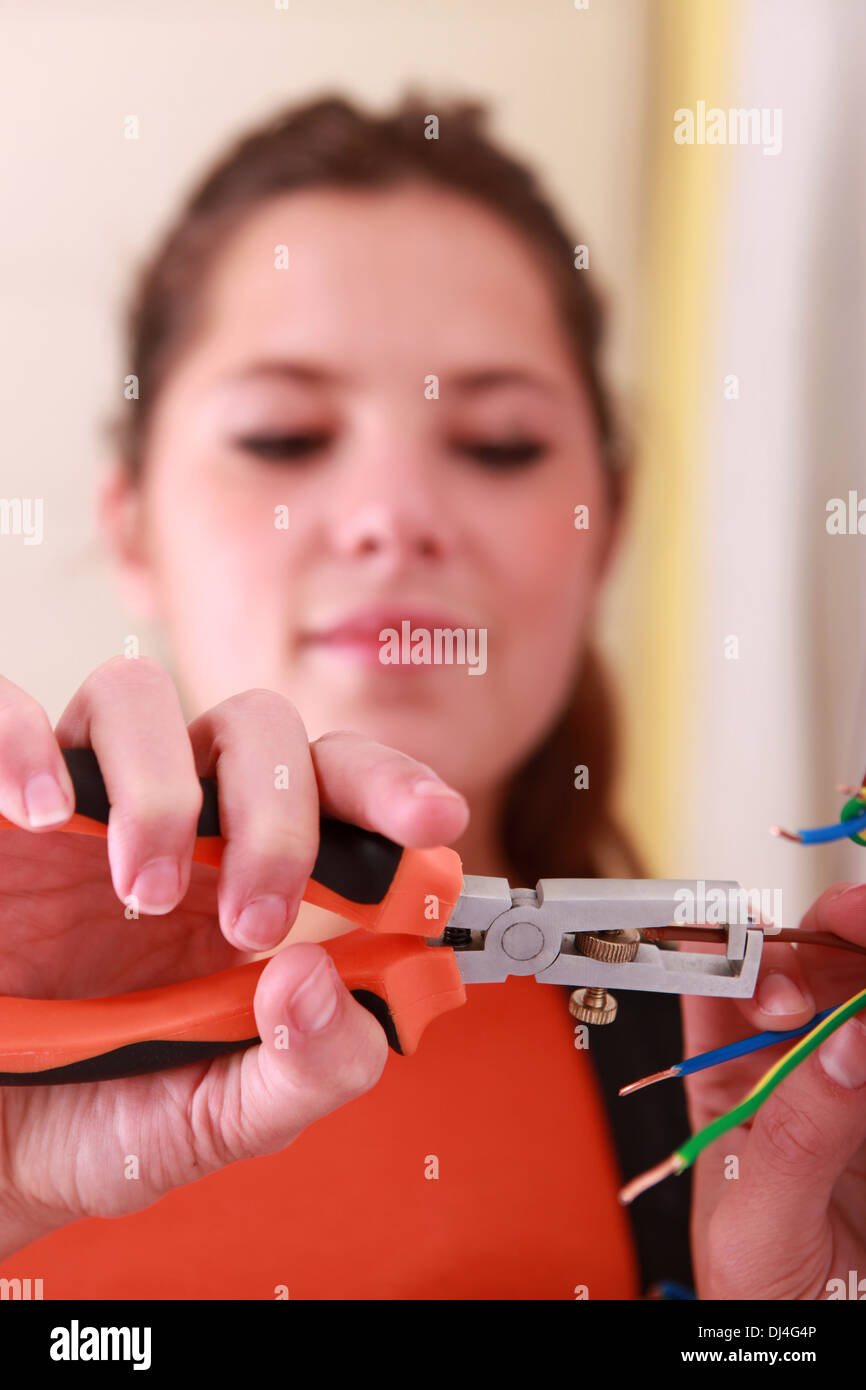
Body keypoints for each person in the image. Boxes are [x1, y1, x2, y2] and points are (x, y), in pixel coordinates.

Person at [0, 93, 863, 1301]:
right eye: (286, 435)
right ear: (130, 524)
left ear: (604, 525)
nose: (393, 517)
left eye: (498, 444)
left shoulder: (760, 1114)